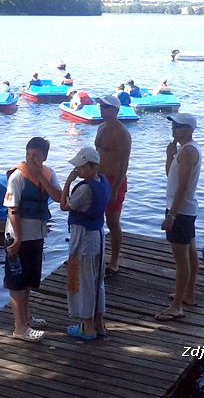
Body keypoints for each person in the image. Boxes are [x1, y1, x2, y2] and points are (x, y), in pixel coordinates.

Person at [3, 137, 62, 341]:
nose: (31, 159)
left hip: (37, 234)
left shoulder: (48, 173)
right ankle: (19, 328)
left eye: (36, 156)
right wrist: (17, 239)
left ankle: (27, 318)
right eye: (29, 155)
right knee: (17, 282)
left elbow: (59, 198)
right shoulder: (17, 177)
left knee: (28, 280)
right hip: (17, 237)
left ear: (45, 156)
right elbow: (13, 209)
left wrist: (41, 177)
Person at [60, 146, 109, 341]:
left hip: (85, 239)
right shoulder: (103, 181)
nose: (78, 171)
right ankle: (99, 323)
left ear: (91, 166)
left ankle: (87, 327)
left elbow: (64, 206)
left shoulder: (85, 188)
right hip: (98, 235)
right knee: (98, 281)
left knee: (85, 281)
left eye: (81, 167)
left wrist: (67, 183)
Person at [155, 112, 201, 322]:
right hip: (184, 208)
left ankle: (176, 307)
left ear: (190, 129)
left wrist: (171, 215)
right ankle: (188, 295)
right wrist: (169, 156)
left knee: (181, 259)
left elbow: (182, 187)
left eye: (179, 127)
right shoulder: (183, 150)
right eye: (173, 126)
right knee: (190, 251)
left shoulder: (189, 151)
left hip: (180, 209)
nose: (174, 130)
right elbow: (171, 178)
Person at [94, 94, 132, 279]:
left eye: (106, 108)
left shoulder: (121, 133)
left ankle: (114, 261)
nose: (102, 110)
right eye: (101, 107)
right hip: (97, 178)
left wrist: (116, 188)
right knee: (94, 218)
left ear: (115, 111)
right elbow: (97, 154)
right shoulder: (101, 127)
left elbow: (123, 162)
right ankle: (96, 255)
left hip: (113, 180)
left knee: (113, 221)